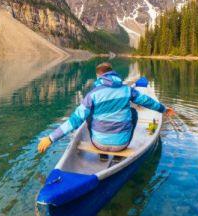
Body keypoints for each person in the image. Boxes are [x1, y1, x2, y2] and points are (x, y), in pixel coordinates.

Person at [38, 62, 174, 154]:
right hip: (122, 144)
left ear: (99, 76)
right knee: (133, 112)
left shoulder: (92, 95)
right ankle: (121, 138)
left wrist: (51, 138)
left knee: (88, 114)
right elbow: (147, 101)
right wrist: (164, 109)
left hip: (98, 144)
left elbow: (74, 121)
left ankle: (103, 150)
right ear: (113, 73)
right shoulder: (127, 90)